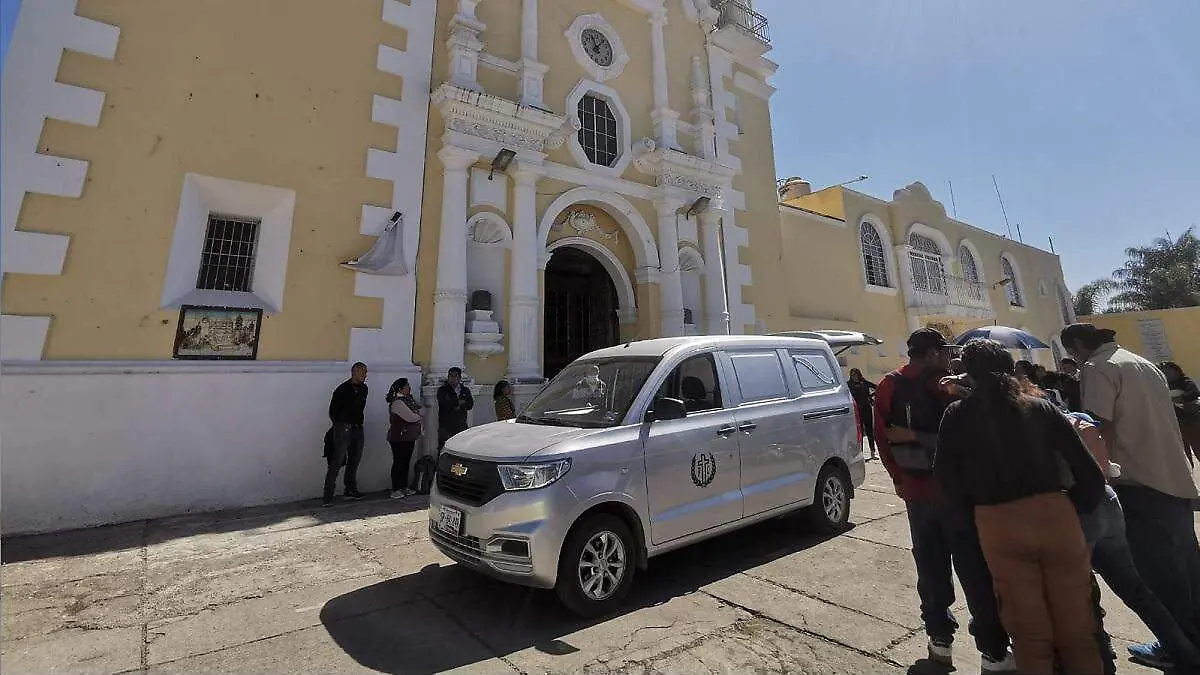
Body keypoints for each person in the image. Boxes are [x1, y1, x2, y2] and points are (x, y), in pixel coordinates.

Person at [935, 339, 1105, 675]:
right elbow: (1088, 471)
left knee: (1028, 631)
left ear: (969, 374)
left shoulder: (957, 415)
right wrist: (1071, 507)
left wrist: (971, 519)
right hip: (1055, 515)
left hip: (997, 523)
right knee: (1077, 626)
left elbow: (945, 480)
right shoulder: (1040, 408)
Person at [1062, 323, 1200, 671]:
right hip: (1173, 475)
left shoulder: (1097, 368)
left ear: (1076, 345)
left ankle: (1178, 649)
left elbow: (1099, 427)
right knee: (1187, 567)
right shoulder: (1140, 362)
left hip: (1138, 482)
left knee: (1159, 575)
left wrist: (1095, 476)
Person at [874, 328, 1013, 671]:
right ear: (933, 354)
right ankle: (993, 651)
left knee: (930, 567)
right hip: (960, 493)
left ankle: (939, 640)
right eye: (945, 352)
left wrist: (898, 478)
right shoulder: (955, 387)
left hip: (918, 490)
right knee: (975, 569)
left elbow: (881, 436)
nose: (950, 358)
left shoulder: (890, 384)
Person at [1070, 412, 1200, 674]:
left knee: (1076, 592)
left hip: (1074, 508)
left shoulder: (1014, 417)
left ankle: (1101, 659)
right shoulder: (1063, 413)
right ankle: (1185, 656)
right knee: (1136, 588)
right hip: (1104, 499)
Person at [324, 362, 369, 507]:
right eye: (362, 372)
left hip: (357, 427)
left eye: (365, 372)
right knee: (336, 461)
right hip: (344, 427)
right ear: (354, 373)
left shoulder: (364, 389)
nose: (365, 375)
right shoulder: (342, 390)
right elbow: (333, 411)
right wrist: (341, 425)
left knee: (355, 459)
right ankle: (328, 495)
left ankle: (350, 489)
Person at [386, 378, 422, 499]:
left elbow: (422, 410)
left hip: (409, 437)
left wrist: (418, 413)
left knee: (406, 462)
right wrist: (418, 414)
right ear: (401, 389)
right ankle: (396, 488)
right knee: (399, 462)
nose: (409, 388)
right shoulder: (397, 403)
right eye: (407, 386)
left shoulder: (409, 400)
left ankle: (403, 486)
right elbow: (411, 417)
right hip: (399, 437)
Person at [1161, 362, 1200, 466]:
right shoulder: (1163, 385)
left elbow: (1194, 393)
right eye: (1165, 372)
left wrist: (1179, 398)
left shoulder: (1185, 381)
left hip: (1192, 421)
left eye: (1170, 371)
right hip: (1176, 424)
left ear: (1177, 371)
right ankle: (1189, 473)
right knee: (1184, 455)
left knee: (1198, 448)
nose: (1168, 374)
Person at [436, 367, 474, 451]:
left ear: (459, 378)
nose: (452, 378)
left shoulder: (465, 390)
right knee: (444, 448)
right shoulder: (443, 390)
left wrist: (459, 404)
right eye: (450, 376)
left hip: (461, 424)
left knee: (461, 448)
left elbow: (470, 404)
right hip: (446, 425)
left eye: (455, 376)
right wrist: (459, 402)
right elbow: (444, 403)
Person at [847, 369, 878, 460]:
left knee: (869, 431)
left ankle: (873, 452)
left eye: (855, 374)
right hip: (856, 410)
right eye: (852, 375)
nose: (854, 376)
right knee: (859, 432)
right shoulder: (849, 385)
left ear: (858, 374)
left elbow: (877, 387)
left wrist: (870, 396)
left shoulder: (864, 383)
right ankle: (860, 454)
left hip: (866, 408)